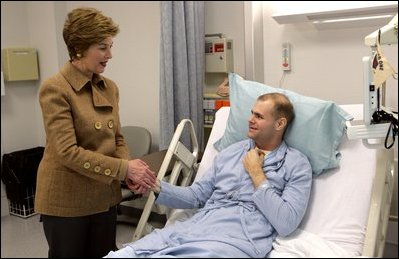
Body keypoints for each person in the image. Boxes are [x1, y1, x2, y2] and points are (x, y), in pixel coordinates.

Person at [105, 93, 313, 258]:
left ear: (279, 124)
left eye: (259, 116)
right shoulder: (232, 152)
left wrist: (256, 174)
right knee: (127, 253)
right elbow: (196, 196)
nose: (250, 120)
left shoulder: (296, 164)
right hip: (197, 228)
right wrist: (156, 186)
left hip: (236, 238)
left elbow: (286, 223)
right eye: (251, 113)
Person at [35, 7, 156, 258]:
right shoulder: (55, 89)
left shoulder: (109, 87)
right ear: (79, 47)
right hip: (67, 202)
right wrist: (124, 169)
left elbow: (117, 138)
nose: (110, 54)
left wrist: (129, 169)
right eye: (103, 47)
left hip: (103, 197)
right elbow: (67, 152)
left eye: (111, 46)